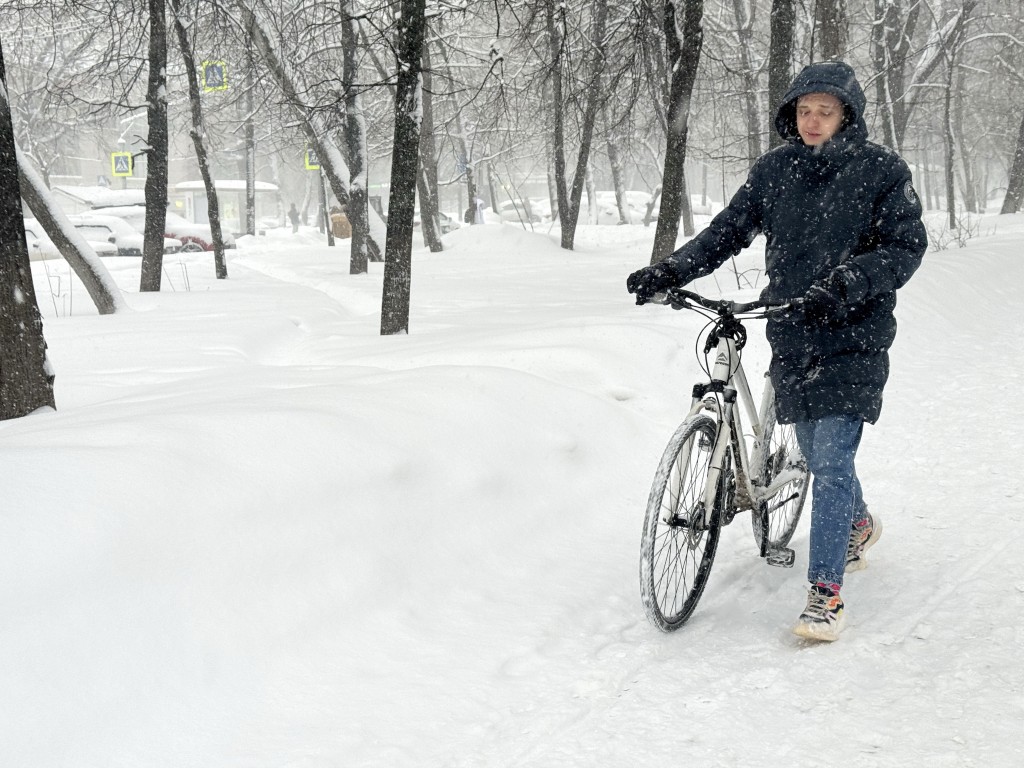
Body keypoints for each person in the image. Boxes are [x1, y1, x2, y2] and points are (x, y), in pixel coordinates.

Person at [626, 61, 927, 642]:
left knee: (832, 459)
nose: (813, 121)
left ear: (848, 116)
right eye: (804, 111)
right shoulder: (775, 171)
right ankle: (858, 525)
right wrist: (670, 269)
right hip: (790, 328)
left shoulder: (881, 171)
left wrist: (848, 283)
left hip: (853, 331)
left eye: (826, 111)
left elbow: (904, 247)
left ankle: (825, 596)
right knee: (816, 455)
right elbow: (727, 231)